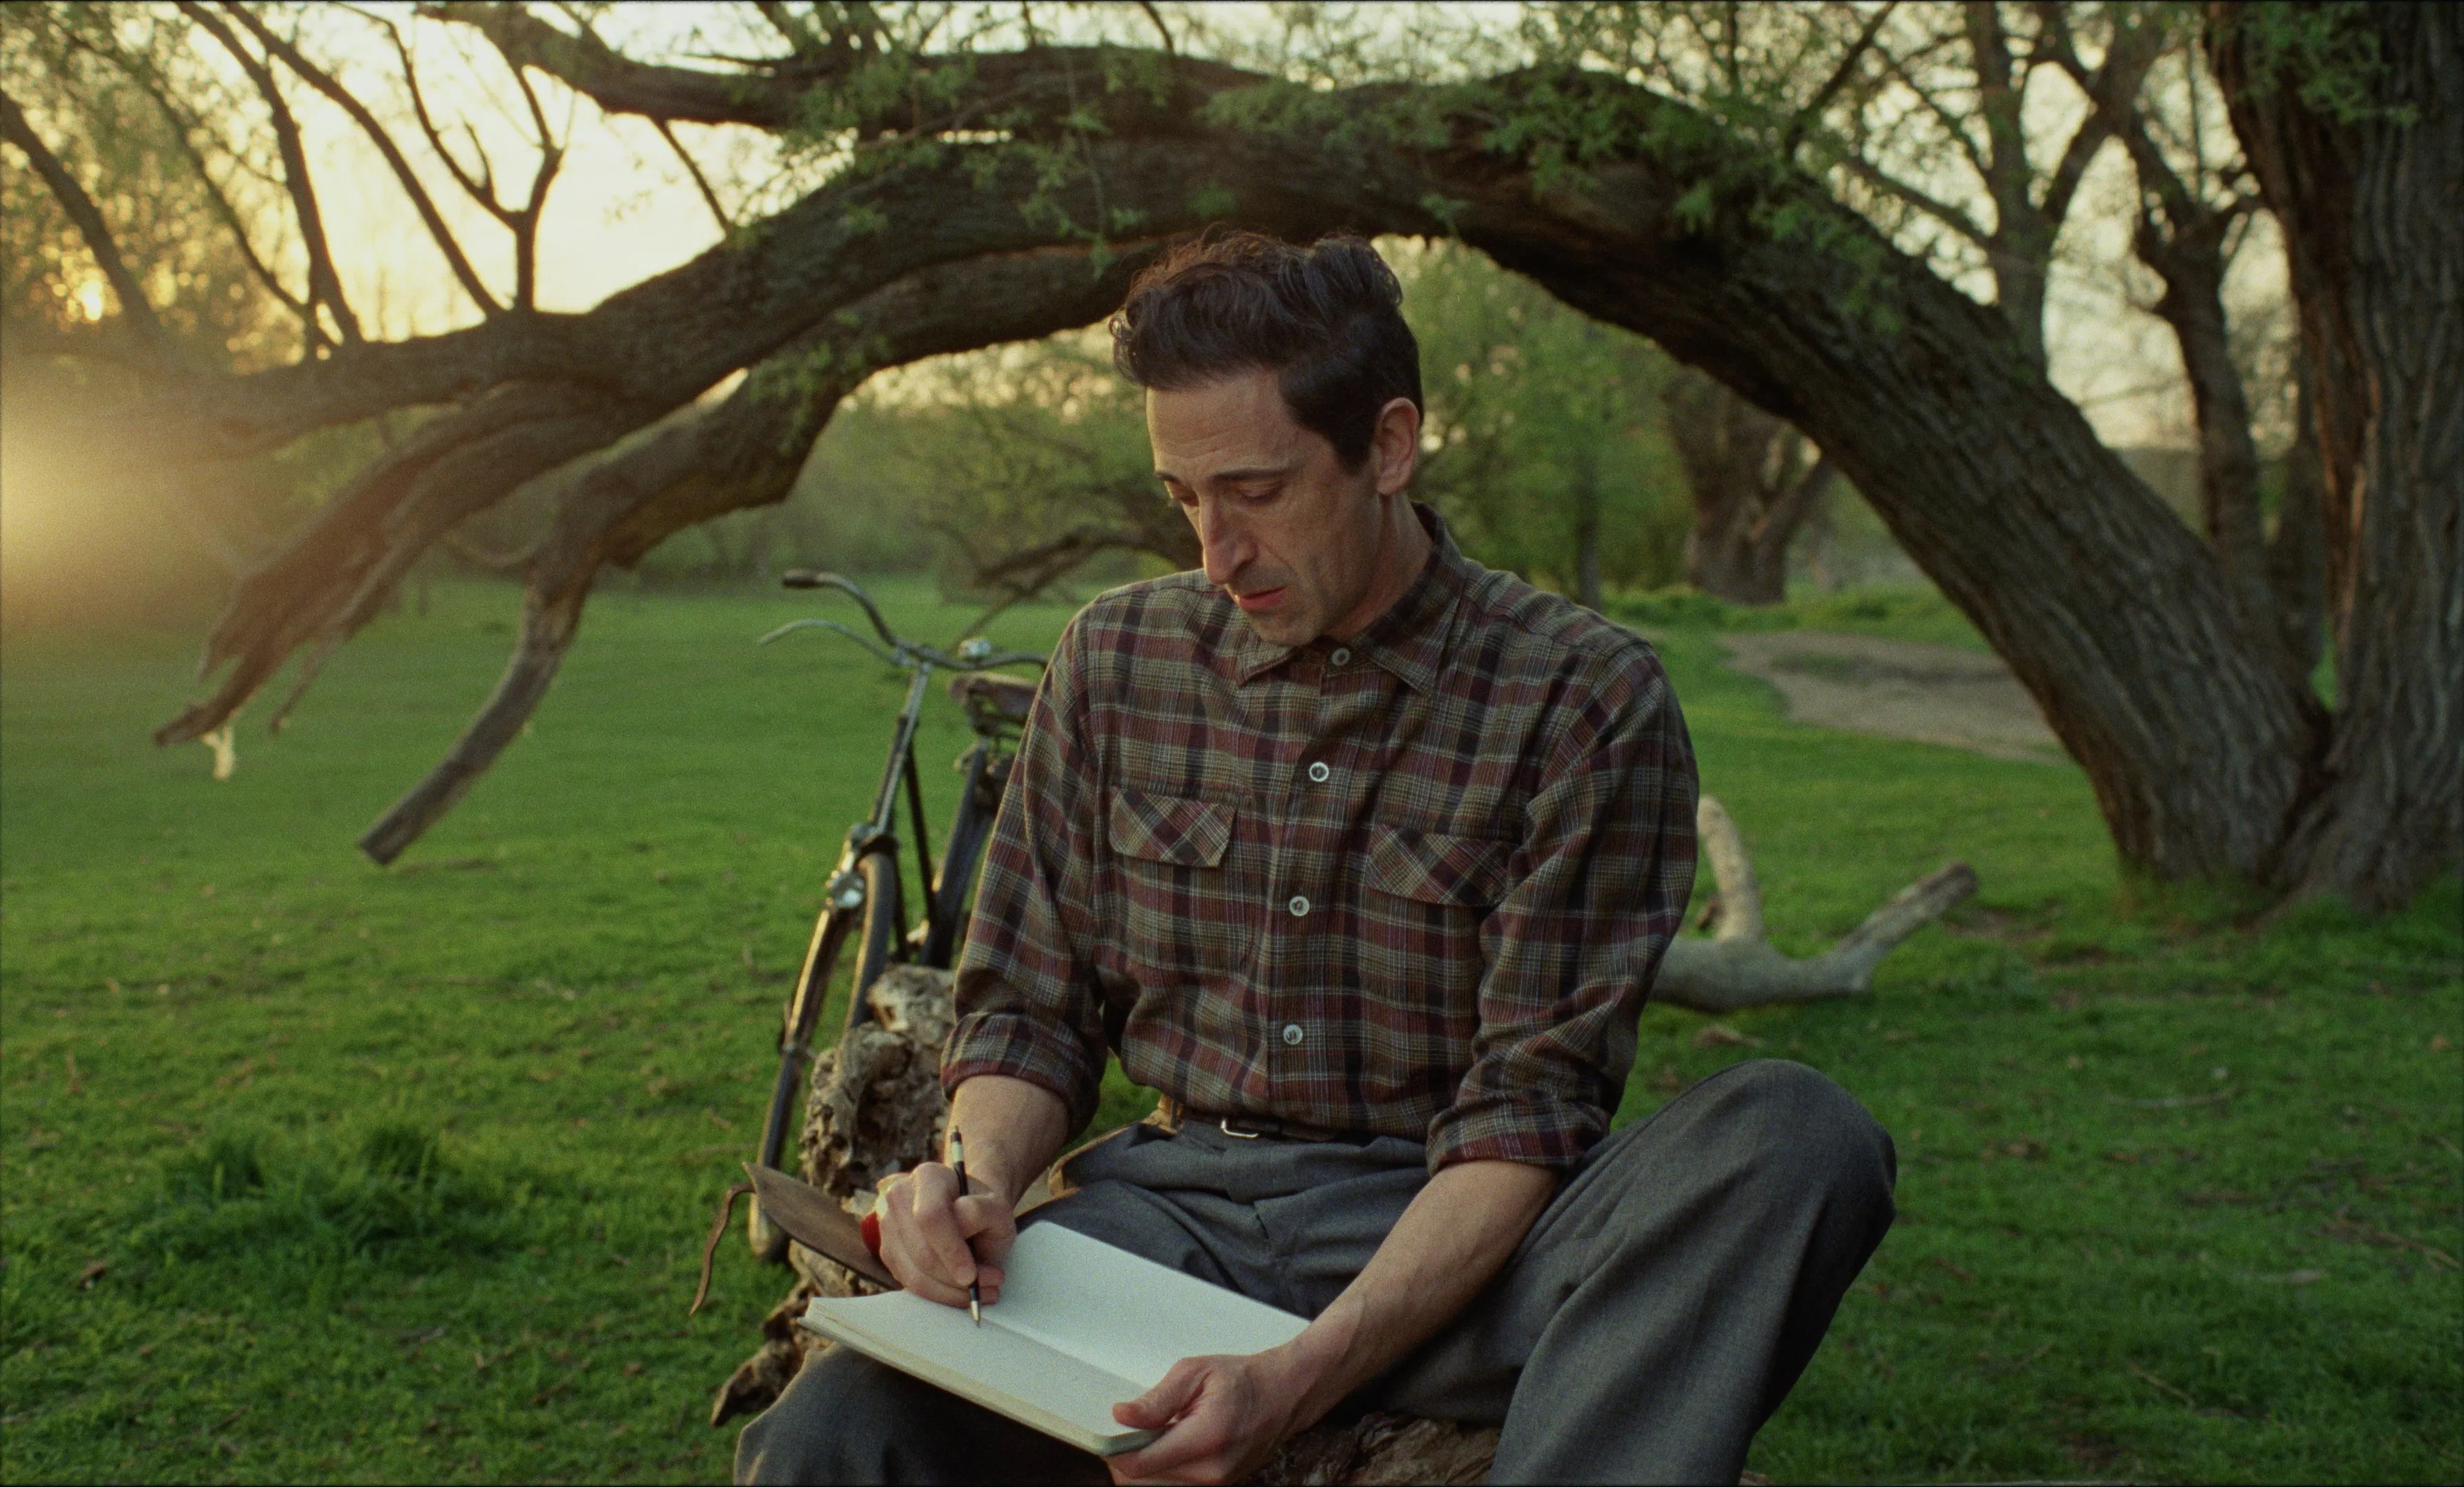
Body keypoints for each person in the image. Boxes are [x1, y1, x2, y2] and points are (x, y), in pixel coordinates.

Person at [735, 231, 1895, 1486]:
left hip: (1461, 1245)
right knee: (830, 1435)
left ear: (1388, 447)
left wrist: (1298, 1380)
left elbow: (1529, 1114)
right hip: (1163, 1232)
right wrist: (975, 1185)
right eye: (1185, 498)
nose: (1215, 555)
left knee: (1800, 1133)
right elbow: (1026, 1009)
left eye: (1258, 491)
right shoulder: (1115, 661)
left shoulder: (1581, 698)